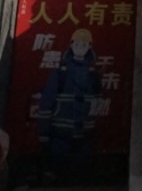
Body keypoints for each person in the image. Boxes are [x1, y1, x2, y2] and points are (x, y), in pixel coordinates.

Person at [37, 28, 101, 182]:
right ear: (71, 45)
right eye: (77, 44)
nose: (80, 48)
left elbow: (97, 104)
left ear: (89, 47)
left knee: (79, 176)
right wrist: (43, 134)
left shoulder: (94, 76)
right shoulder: (60, 73)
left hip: (85, 138)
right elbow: (46, 105)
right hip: (60, 136)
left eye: (84, 45)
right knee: (58, 174)